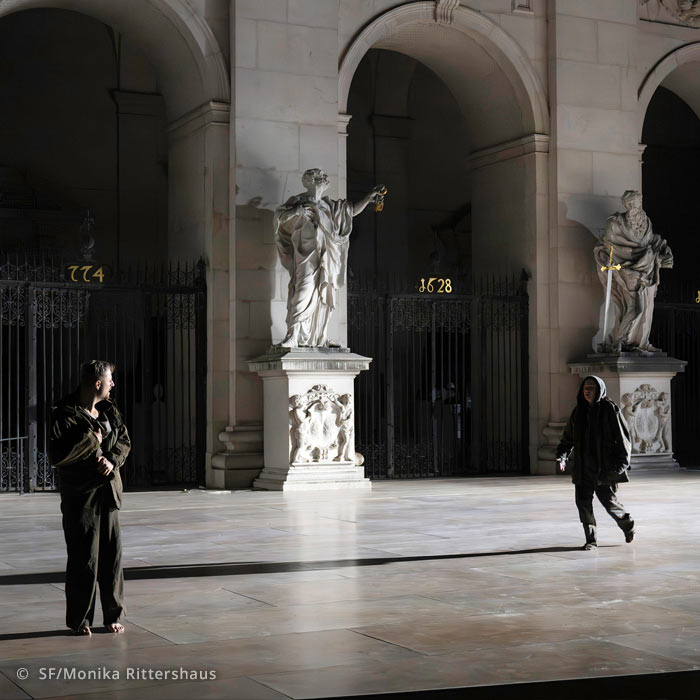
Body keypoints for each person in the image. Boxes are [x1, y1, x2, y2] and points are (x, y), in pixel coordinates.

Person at [49, 360, 131, 635]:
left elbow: (123, 441)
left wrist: (111, 459)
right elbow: (58, 455)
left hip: (108, 491)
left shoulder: (109, 409)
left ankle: (113, 614)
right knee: (84, 558)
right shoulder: (64, 413)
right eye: (110, 381)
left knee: (112, 556)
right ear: (97, 383)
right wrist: (93, 439)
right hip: (81, 496)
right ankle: (81, 619)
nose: (113, 385)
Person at [274, 168, 384, 347]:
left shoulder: (330, 206)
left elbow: (350, 211)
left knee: (325, 294)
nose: (322, 179)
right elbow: (279, 219)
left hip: (327, 256)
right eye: (318, 176)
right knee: (303, 291)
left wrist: (369, 196)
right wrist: (297, 212)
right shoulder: (297, 202)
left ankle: (321, 338)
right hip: (306, 256)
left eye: (324, 177)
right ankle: (293, 334)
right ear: (307, 181)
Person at [556, 376, 635, 550]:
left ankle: (627, 524)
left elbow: (623, 440)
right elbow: (568, 438)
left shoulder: (610, 410)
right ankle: (591, 540)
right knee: (583, 504)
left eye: (591, 388)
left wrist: (620, 466)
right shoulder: (579, 412)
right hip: (583, 468)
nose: (587, 391)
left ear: (599, 390)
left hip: (604, 469)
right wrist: (562, 456)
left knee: (610, 504)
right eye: (585, 388)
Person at [594, 190, 673, 353]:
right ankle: (619, 342)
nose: (632, 207)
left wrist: (660, 254)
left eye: (635, 203)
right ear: (624, 205)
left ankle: (639, 342)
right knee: (636, 307)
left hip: (647, 270)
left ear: (640, 201)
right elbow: (609, 245)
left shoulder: (646, 221)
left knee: (646, 309)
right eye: (628, 204)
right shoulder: (616, 223)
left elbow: (650, 241)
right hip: (626, 271)